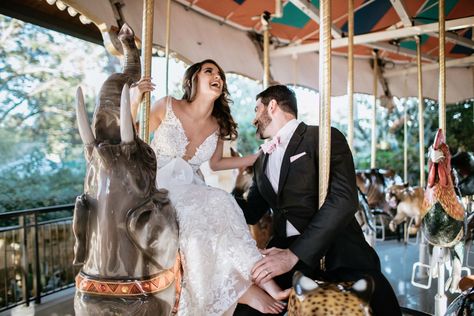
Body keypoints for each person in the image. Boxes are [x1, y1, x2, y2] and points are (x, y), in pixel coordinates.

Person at [130, 59, 288, 315]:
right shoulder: (168, 105)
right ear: (193, 80)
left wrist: (257, 156)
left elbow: (215, 163)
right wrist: (136, 98)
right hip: (157, 179)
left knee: (223, 201)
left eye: (220, 74)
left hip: (189, 183)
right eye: (209, 71)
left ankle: (258, 277)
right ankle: (247, 287)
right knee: (212, 203)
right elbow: (133, 136)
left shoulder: (217, 124)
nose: (218, 76)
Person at [233, 85, 401, 316]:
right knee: (245, 310)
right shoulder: (262, 158)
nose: (253, 119)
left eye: (256, 109)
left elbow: (343, 200)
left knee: (373, 304)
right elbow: (251, 212)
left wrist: (294, 255)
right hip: (283, 252)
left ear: (271, 106)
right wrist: (214, 195)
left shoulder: (322, 137)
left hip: (334, 249)